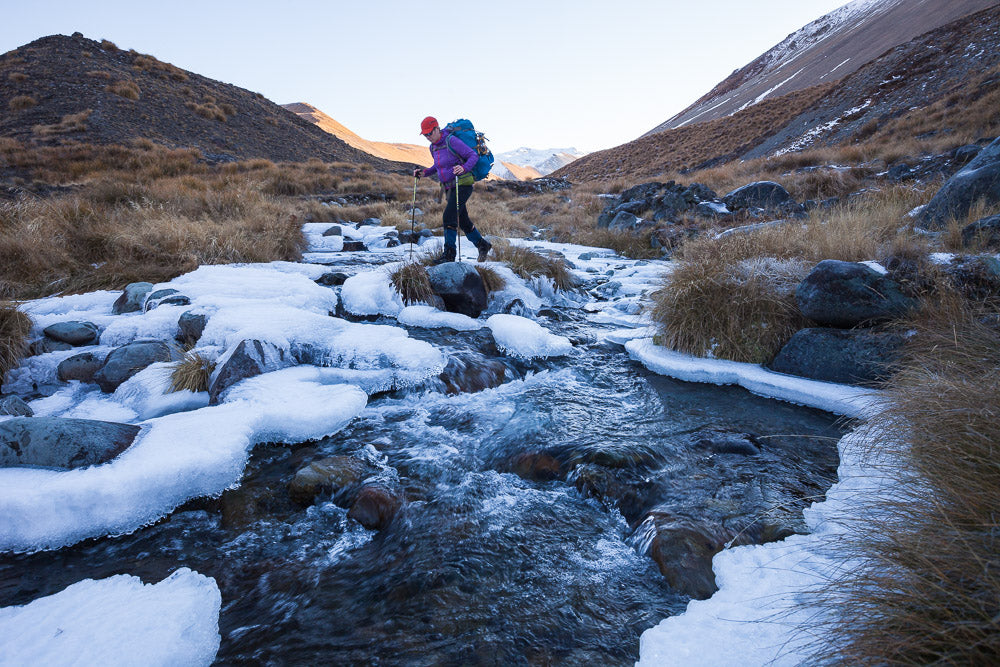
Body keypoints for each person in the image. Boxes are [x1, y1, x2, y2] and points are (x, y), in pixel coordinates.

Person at [414, 116, 492, 264]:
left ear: (437, 128)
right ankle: (483, 245)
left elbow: (472, 156)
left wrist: (463, 168)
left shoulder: (451, 141)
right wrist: (423, 173)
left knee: (449, 216)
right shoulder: (433, 147)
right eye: (425, 135)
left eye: (430, 133)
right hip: (449, 188)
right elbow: (438, 167)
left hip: (462, 184)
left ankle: (449, 255)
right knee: (463, 221)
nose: (428, 137)